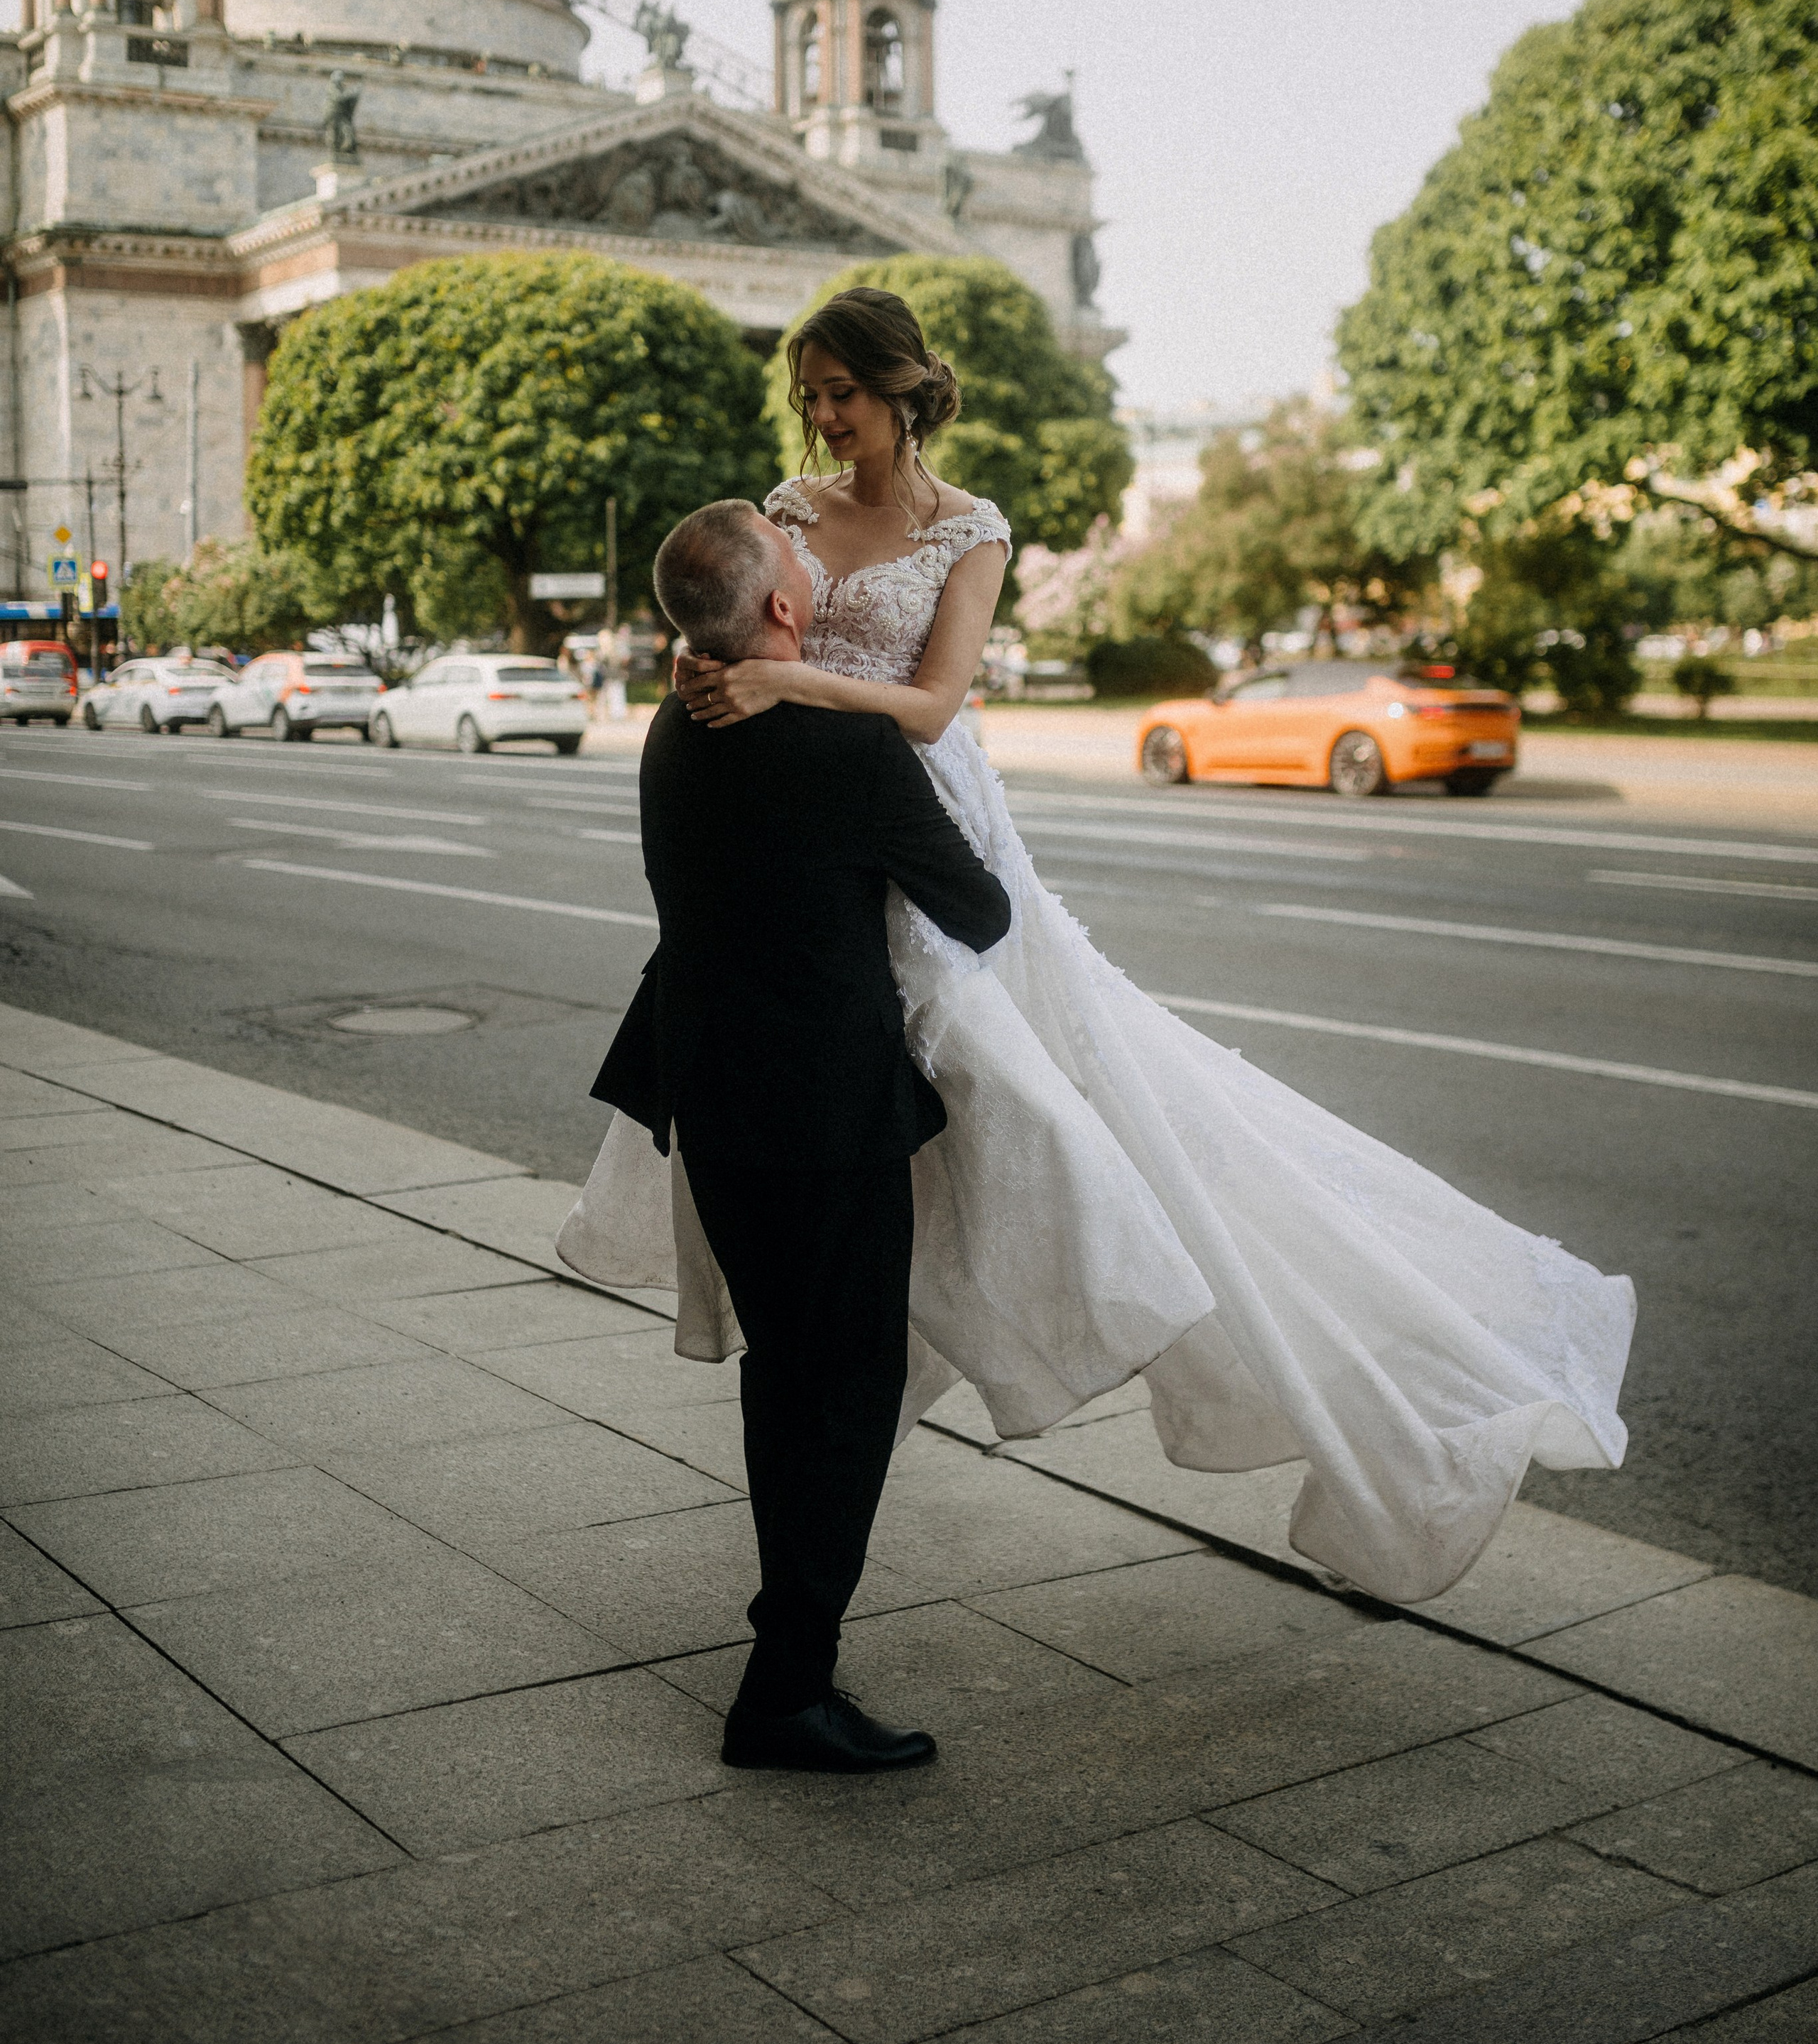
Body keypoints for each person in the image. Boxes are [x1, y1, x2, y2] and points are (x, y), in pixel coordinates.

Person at [561, 287, 1635, 1619]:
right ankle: (846, 1416)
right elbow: (733, 618)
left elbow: (936, 703)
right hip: (819, 833)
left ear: (902, 390)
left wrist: (788, 684)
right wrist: (709, 666)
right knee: (871, 1161)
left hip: (917, 815)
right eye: (811, 394)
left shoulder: (971, 533)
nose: (823, 417)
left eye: (842, 391)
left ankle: (1367, 1394)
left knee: (1093, 1135)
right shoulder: (783, 512)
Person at [587, 498, 1012, 1773]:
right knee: (848, 1389)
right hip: (827, 1111)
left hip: (711, 1090)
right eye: (800, 568)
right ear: (783, 611)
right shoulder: (852, 755)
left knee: (788, 1371)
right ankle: (786, 1687)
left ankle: (790, 1654)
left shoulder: (674, 724)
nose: (817, 567)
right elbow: (979, 911)